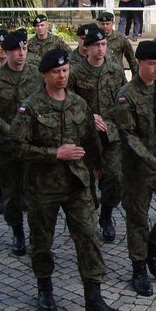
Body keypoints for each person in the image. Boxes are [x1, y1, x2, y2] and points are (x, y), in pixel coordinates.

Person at [9, 48, 120, 311]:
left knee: (89, 238)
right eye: (56, 72)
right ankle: (44, 287)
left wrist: (96, 168)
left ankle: (93, 297)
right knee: (42, 241)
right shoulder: (31, 107)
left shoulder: (79, 104)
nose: (62, 76)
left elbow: (90, 140)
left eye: (65, 71)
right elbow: (15, 146)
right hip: (43, 186)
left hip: (76, 184)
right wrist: (53, 153)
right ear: (45, 75)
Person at [113, 40, 156, 297]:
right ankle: (138, 268)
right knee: (138, 219)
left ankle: (153, 248)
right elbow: (128, 137)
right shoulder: (125, 95)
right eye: (152, 63)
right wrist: (155, 165)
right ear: (139, 64)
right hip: (139, 168)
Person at [0, 31, 42, 256]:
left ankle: (38, 235)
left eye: (24, 48)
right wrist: (8, 129)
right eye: (17, 49)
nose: (21, 53)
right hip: (6, 148)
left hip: (32, 146)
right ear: (6, 52)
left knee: (36, 193)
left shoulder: (36, 75)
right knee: (11, 195)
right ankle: (17, 232)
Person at [68, 26, 127, 242]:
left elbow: (124, 100)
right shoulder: (75, 72)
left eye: (104, 45)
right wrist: (88, 116)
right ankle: (89, 213)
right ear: (87, 47)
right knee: (85, 181)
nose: (101, 49)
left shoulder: (115, 70)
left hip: (110, 135)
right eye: (96, 45)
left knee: (115, 178)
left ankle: (106, 216)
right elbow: (68, 102)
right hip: (84, 135)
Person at [97, 11, 137, 77]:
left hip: (117, 77)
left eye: (107, 24)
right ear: (99, 24)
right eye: (102, 24)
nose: (105, 26)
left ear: (112, 23)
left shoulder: (120, 38)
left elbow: (131, 58)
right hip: (99, 77)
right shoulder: (94, 39)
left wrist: (135, 76)